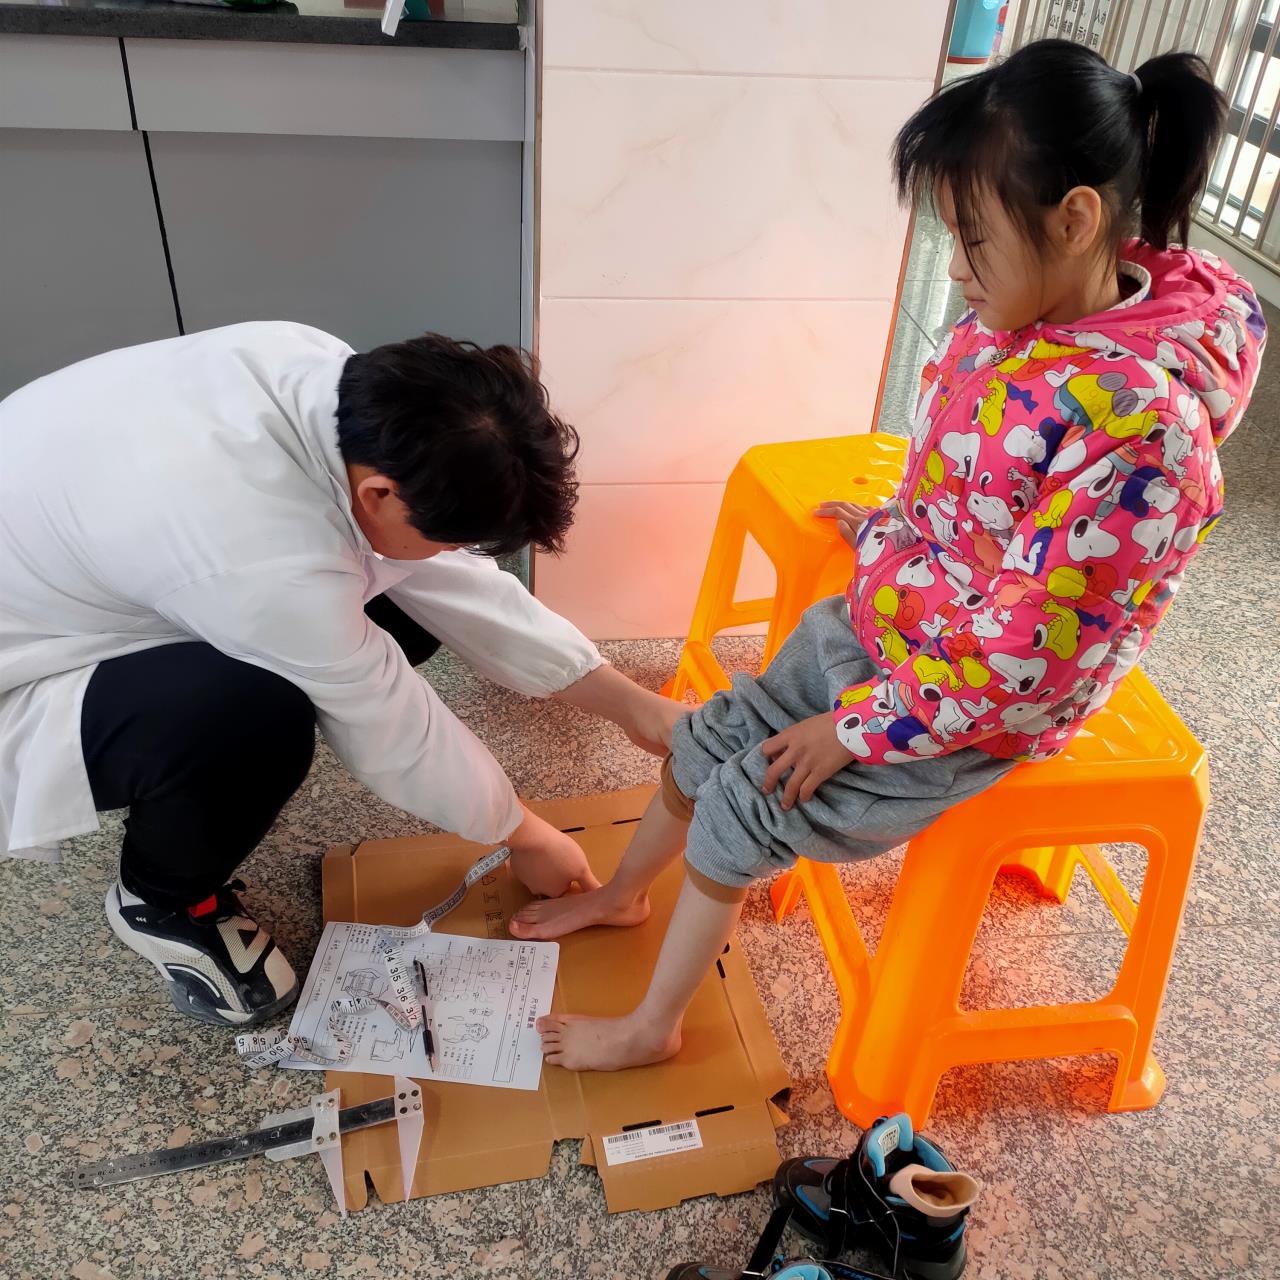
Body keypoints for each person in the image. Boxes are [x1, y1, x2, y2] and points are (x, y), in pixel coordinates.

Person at [510, 40, 1267, 1071]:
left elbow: (1024, 659)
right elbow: (976, 487)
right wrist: (891, 531)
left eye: (972, 240)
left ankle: (653, 1028)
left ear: (1075, 220)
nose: (953, 270)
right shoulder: (1026, 321)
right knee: (708, 739)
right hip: (896, 634)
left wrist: (856, 728)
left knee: (745, 804)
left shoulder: (1144, 434)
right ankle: (622, 894)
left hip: (969, 707)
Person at [0, 325, 685, 1027]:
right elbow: (389, 723)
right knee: (257, 715)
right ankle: (159, 899)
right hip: (26, 669)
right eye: (452, 536)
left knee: (399, 594)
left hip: (95, 560)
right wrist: (525, 834)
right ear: (381, 492)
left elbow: (450, 581)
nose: (453, 553)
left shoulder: (326, 376)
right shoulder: (260, 558)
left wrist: (627, 702)